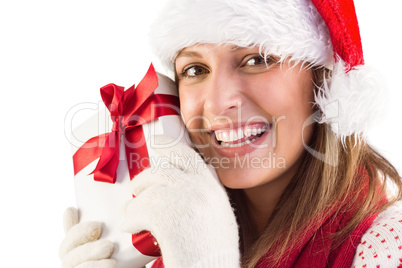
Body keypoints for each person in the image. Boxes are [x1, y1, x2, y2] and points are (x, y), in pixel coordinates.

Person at [59, 0, 402, 267]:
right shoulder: (168, 242)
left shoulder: (387, 246)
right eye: (195, 69)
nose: (218, 102)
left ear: (323, 82)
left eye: (256, 59)